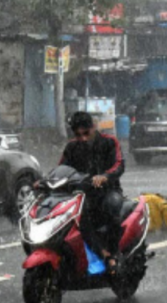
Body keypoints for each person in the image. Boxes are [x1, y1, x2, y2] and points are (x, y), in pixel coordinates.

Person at [51, 111, 125, 275]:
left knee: (111, 206)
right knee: (75, 216)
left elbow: (119, 165)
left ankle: (111, 253)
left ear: (94, 127)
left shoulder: (109, 142)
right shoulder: (72, 147)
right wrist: (45, 182)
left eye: (86, 133)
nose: (83, 138)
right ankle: (97, 253)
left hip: (108, 191)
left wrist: (105, 177)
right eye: (78, 135)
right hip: (83, 194)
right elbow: (61, 169)